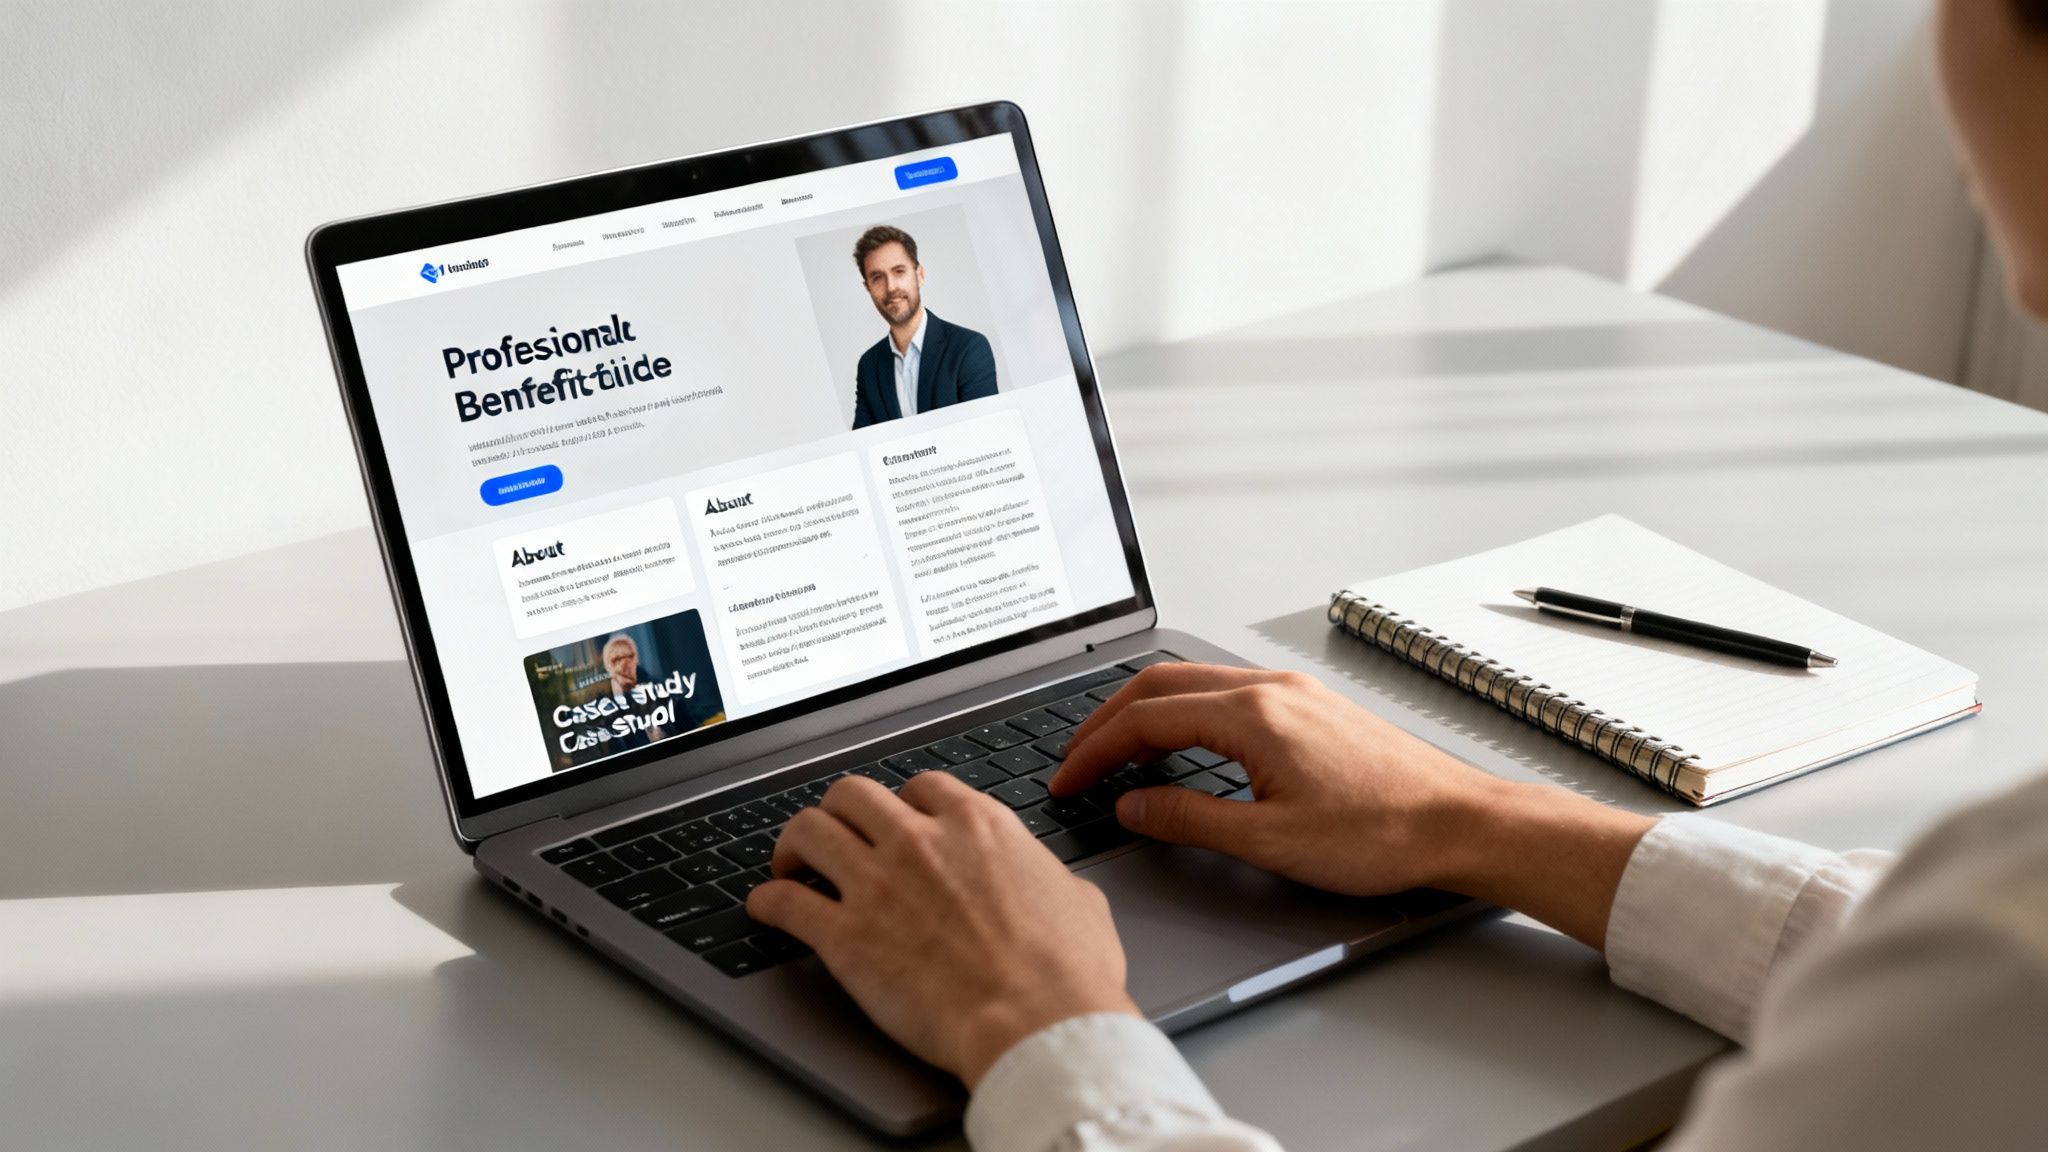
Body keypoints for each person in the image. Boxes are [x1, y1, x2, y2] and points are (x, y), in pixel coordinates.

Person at [747, 3, 2048, 1148]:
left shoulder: (1987, 970)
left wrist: (1036, 1024)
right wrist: (1475, 820)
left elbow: (1972, 983)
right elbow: (1923, 956)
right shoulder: (1985, 938)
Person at [848, 224, 999, 428]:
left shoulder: (968, 348)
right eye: (877, 278)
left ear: (919, 275)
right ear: (868, 288)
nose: (891, 287)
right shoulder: (869, 366)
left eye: (899, 271)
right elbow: (866, 446)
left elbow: (986, 435)